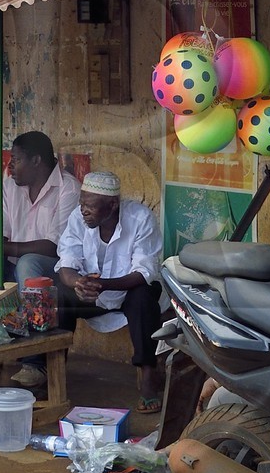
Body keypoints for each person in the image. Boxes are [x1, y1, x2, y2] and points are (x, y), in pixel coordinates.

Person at [17, 170, 165, 411]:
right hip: (90, 293)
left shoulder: (140, 219)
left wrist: (103, 285)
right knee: (57, 296)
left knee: (144, 297)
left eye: (91, 206)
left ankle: (148, 376)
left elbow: (143, 271)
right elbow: (67, 262)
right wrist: (78, 283)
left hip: (127, 290)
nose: (84, 210)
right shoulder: (78, 218)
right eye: (82, 203)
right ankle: (51, 371)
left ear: (112, 205)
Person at [0, 131, 79, 288]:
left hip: (53, 270)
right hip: (11, 265)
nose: (10, 166)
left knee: (27, 262)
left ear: (36, 161)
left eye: (16, 160)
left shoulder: (69, 189)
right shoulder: (10, 186)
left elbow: (53, 246)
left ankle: (31, 306)